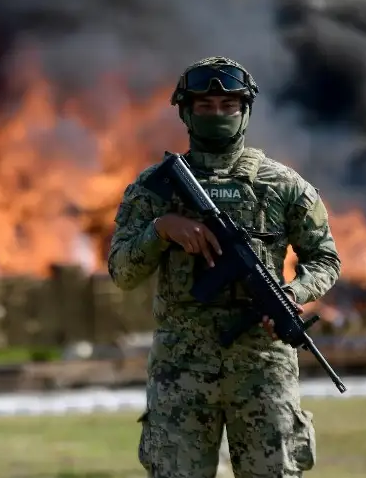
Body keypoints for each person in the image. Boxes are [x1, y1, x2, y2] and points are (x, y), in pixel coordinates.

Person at [108, 56, 342, 478]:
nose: (217, 113)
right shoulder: (154, 188)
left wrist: (293, 294)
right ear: (186, 112)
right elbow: (123, 272)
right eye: (205, 105)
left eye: (227, 105)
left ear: (245, 111)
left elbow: (325, 259)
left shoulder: (283, 186)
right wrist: (161, 229)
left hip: (263, 370)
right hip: (181, 371)